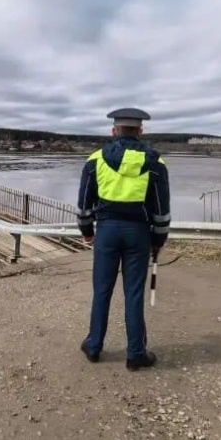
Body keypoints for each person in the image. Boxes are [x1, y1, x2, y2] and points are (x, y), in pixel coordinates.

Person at [77, 107, 171, 371]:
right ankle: (135, 354)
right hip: (139, 234)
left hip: (106, 232)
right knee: (133, 293)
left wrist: (87, 232)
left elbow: (84, 204)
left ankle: (94, 346)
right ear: (140, 131)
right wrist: (158, 240)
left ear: (113, 130)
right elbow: (161, 210)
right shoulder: (155, 163)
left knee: (102, 291)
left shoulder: (95, 160)